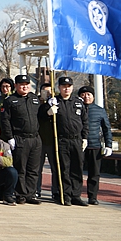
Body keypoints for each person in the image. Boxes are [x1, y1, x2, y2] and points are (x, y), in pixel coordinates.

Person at [39, 76, 88, 206]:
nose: (66, 89)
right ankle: (65, 195)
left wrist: (84, 137)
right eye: (64, 86)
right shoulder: (54, 101)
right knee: (64, 169)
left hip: (76, 140)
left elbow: (84, 121)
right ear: (59, 88)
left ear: (72, 88)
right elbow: (41, 117)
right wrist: (48, 110)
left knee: (77, 168)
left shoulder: (78, 102)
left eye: (69, 86)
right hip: (61, 140)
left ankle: (76, 195)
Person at [1, 74, 42, 205]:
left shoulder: (34, 99)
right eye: (21, 85)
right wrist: (10, 137)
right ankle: (21, 194)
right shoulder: (10, 100)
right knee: (21, 168)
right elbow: (5, 120)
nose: (25, 87)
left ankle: (31, 194)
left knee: (33, 169)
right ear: (16, 86)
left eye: (27, 84)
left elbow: (40, 116)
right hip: (20, 138)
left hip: (35, 138)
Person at [78, 85, 113, 205]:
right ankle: (75, 195)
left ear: (93, 96)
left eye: (89, 94)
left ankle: (92, 197)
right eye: (83, 94)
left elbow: (106, 129)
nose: (86, 97)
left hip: (95, 146)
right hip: (79, 145)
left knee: (94, 173)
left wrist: (108, 145)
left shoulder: (99, 110)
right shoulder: (75, 108)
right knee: (76, 171)